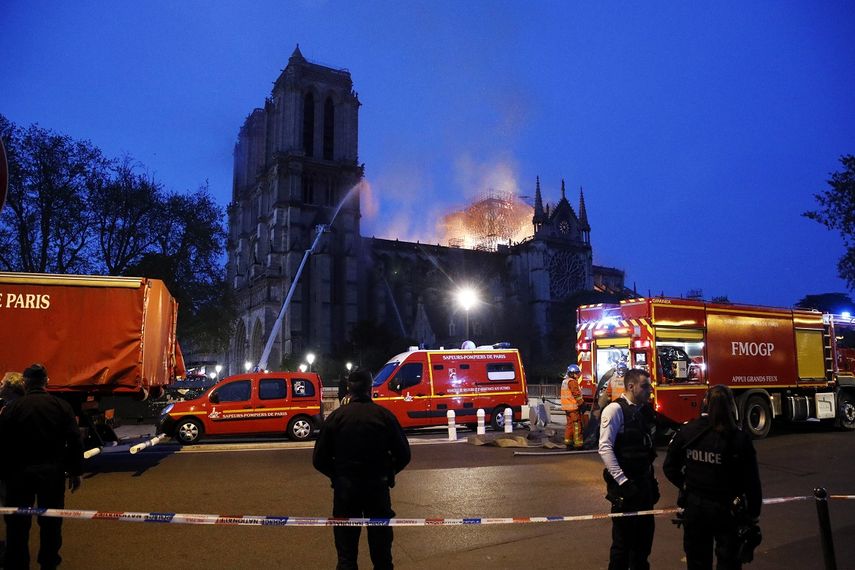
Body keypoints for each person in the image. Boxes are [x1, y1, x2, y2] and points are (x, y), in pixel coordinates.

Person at [313, 369, 411, 570]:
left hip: (346, 492)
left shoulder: (336, 418)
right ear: (370, 388)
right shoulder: (384, 416)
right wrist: (388, 472)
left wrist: (337, 475)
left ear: (349, 389)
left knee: (347, 556)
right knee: (382, 555)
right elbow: (404, 455)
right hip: (377, 489)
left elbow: (319, 459)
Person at [663, 385, 762, 569]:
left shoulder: (688, 432)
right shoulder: (739, 438)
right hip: (727, 510)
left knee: (697, 561)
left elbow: (669, 467)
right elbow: (752, 482)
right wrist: (753, 515)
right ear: (731, 406)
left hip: (695, 508)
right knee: (729, 562)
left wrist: (686, 485)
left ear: (705, 403)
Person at [0, 363, 83, 570]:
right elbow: (74, 440)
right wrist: (75, 472)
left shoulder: (12, 409)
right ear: (46, 381)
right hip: (52, 474)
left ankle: (18, 564)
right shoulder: (61, 406)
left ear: (25, 382)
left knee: (18, 525)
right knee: (51, 523)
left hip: (19, 475)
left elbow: (2, 443)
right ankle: (48, 562)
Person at [599, 368, 659, 570]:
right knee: (622, 545)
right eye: (645, 386)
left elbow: (646, 450)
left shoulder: (644, 411)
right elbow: (605, 448)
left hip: (643, 486)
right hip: (625, 488)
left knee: (643, 543)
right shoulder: (615, 410)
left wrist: (652, 480)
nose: (649, 390)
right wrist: (623, 482)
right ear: (631, 387)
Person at [561, 364, 585, 449]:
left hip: (567, 408)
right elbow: (576, 395)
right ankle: (578, 444)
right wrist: (582, 404)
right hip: (573, 407)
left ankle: (568, 442)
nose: (578, 375)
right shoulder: (572, 382)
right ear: (572, 373)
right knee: (577, 425)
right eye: (577, 373)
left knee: (569, 425)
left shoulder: (565, 381)